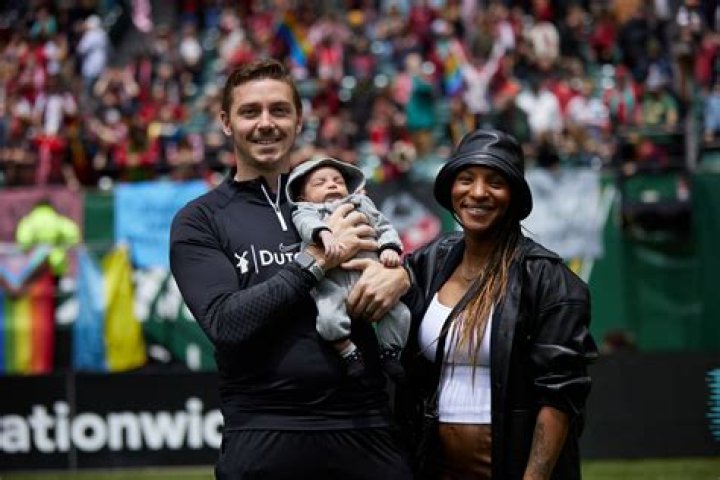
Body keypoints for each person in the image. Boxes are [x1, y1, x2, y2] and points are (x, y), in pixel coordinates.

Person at [169, 58, 413, 479]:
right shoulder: (200, 219)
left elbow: (404, 273)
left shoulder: (341, 202)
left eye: (279, 110)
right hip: (265, 430)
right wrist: (317, 260)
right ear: (226, 122)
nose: (266, 123)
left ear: (299, 121)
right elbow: (226, 323)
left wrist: (402, 277)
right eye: (251, 112)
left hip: (366, 425)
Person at [396, 128, 598, 479]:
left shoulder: (548, 278)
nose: (478, 192)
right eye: (466, 179)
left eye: (495, 182)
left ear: (514, 196)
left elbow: (560, 397)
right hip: (434, 466)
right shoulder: (429, 262)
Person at [286, 156, 411, 380]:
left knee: (400, 313)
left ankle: (390, 352)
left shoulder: (361, 203)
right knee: (328, 316)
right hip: (332, 282)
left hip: (370, 275)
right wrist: (324, 233)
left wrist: (389, 248)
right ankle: (348, 351)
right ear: (302, 196)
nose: (332, 185)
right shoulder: (305, 210)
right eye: (320, 182)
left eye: (338, 181)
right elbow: (306, 225)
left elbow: (383, 226)